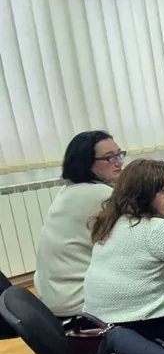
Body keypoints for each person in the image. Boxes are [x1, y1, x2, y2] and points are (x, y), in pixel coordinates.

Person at [83, 159, 164, 343]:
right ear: (143, 196)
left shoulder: (113, 223)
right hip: (142, 331)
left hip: (102, 329)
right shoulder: (156, 229)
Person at [34, 131, 125, 317]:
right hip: (78, 300)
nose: (118, 162)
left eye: (119, 154)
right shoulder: (100, 196)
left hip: (53, 295)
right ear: (86, 163)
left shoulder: (69, 190)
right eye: (109, 157)